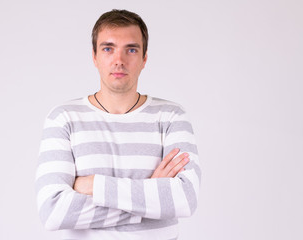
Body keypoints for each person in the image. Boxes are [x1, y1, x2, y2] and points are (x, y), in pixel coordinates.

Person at [36, 9, 201, 240]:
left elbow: (184, 198)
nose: (119, 60)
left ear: (144, 59)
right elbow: (53, 212)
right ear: (94, 56)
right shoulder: (64, 118)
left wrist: (95, 184)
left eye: (131, 49)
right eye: (108, 48)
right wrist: (149, 196)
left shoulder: (171, 116)